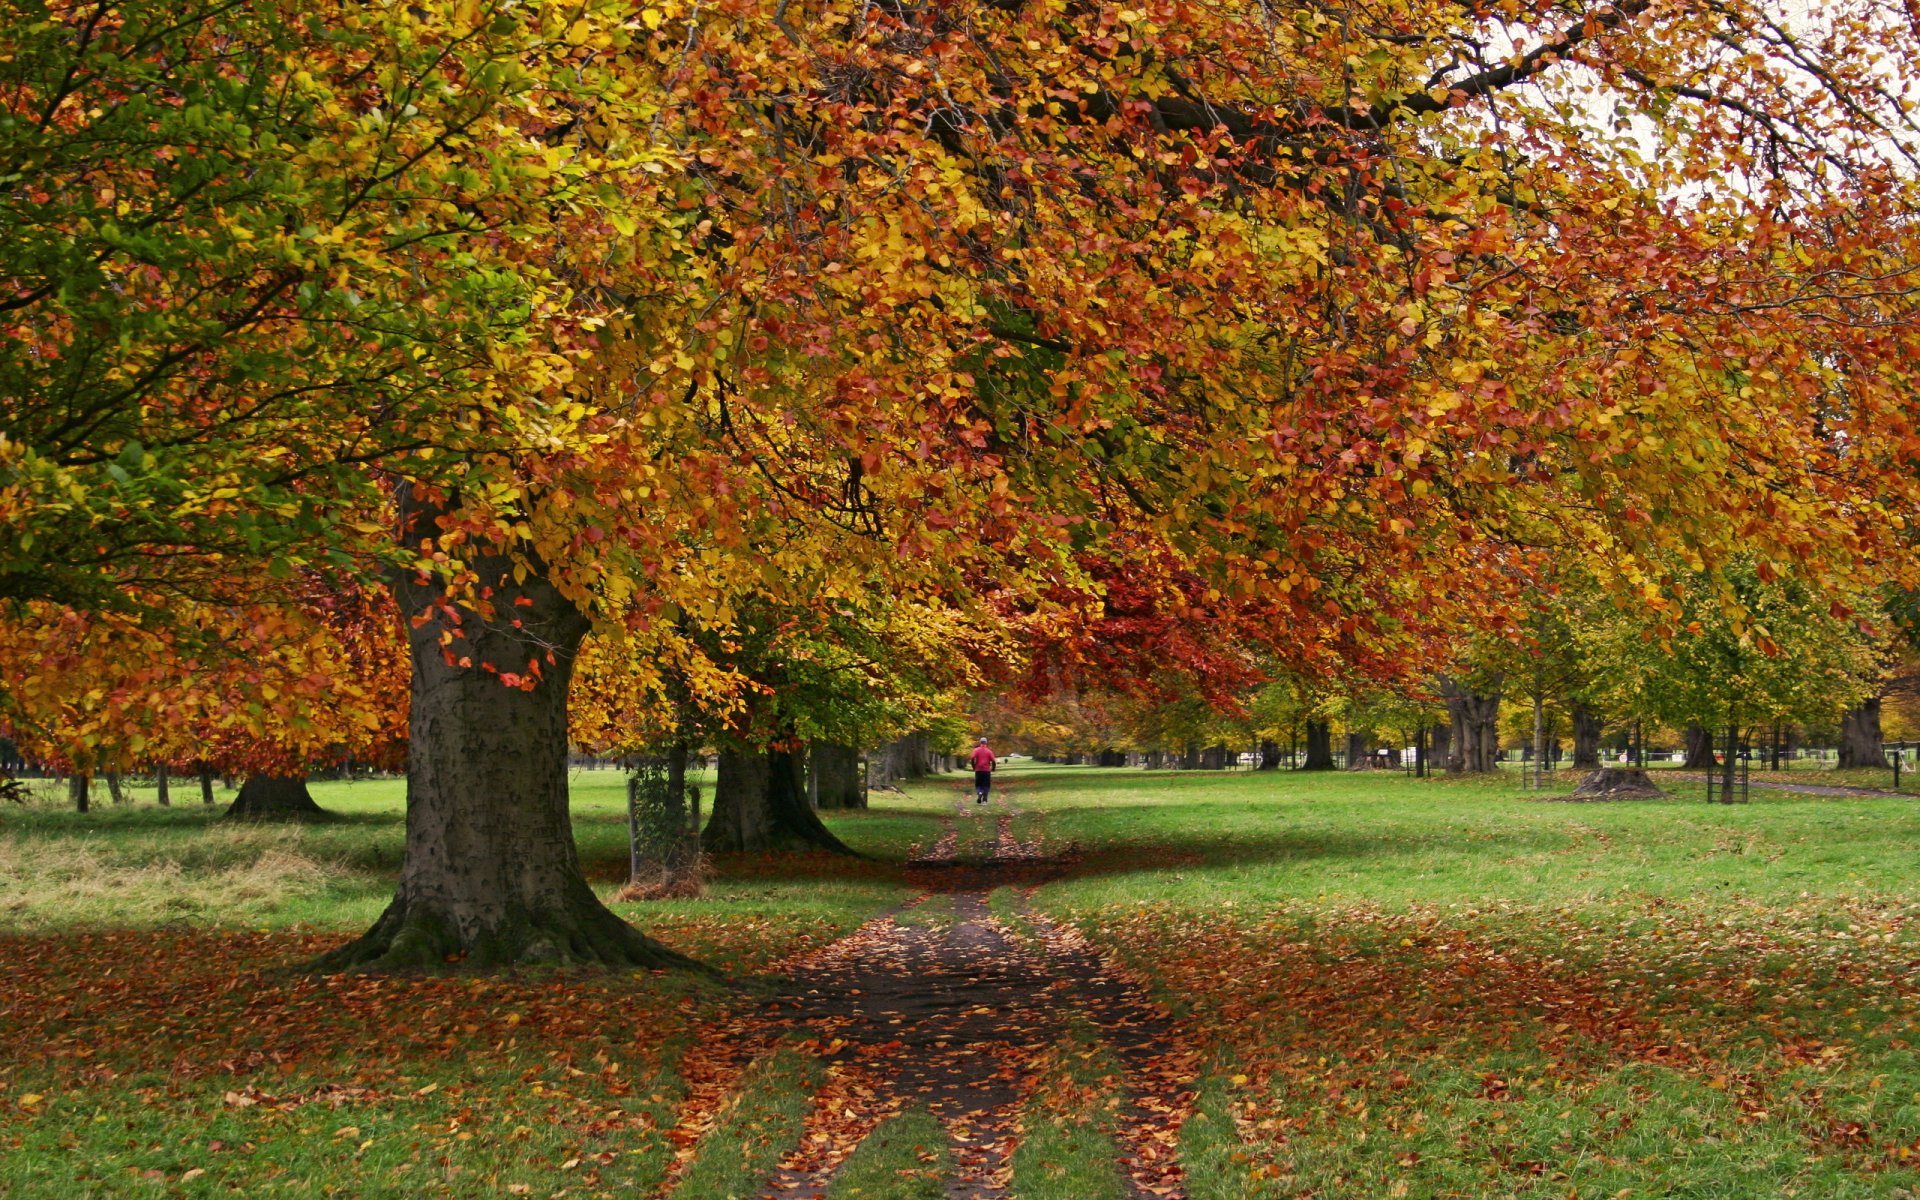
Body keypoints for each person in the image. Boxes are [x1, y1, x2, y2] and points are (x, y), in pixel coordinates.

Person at [969, 737, 997, 804]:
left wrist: (973, 766)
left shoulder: (976, 750)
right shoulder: (989, 751)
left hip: (978, 770)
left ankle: (980, 792)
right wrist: (993, 768)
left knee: (978, 784)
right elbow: (993, 761)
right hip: (986, 771)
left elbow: (972, 758)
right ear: (986, 743)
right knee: (986, 785)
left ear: (980, 742)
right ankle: (984, 800)